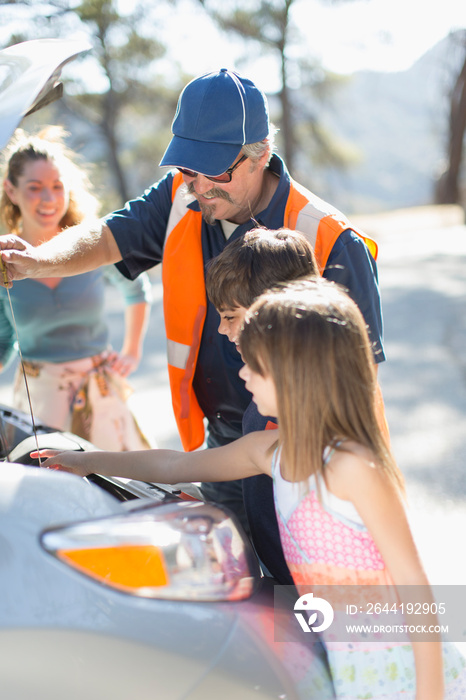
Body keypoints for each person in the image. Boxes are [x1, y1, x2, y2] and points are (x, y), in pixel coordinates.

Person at [35, 278, 466, 699]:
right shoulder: (270, 451)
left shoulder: (351, 466)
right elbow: (175, 464)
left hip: (405, 670)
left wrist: (429, 693)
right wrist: (88, 460)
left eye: (254, 364)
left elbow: (417, 588)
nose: (242, 373)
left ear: (294, 373)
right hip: (349, 664)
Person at [0, 69, 384, 520]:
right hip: (221, 442)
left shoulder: (332, 239)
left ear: (260, 155)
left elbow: (359, 382)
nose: (197, 186)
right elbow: (107, 238)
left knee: (303, 582)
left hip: (304, 450)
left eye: (214, 170)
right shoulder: (181, 195)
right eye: (186, 168)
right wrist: (38, 261)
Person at [0, 126, 153, 451]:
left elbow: (136, 290)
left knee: (123, 491)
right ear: (10, 190)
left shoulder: (90, 246)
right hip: (38, 402)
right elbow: (4, 341)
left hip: (101, 396)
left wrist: (132, 351)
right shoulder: (5, 262)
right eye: (35, 187)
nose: (49, 198)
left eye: (57, 186)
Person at [205, 226, 318, 582]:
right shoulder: (261, 418)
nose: (223, 331)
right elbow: (179, 464)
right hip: (295, 598)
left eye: (229, 317)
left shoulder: (328, 444)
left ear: (271, 313)